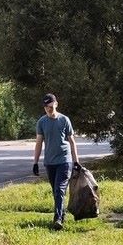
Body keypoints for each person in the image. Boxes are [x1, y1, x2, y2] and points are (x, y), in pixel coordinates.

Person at [33, 93, 81, 230]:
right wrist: (35, 163)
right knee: (56, 191)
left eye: (50, 106)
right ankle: (61, 213)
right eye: (45, 107)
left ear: (56, 104)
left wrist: (76, 161)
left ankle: (58, 218)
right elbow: (38, 143)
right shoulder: (42, 122)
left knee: (59, 189)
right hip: (49, 162)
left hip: (64, 161)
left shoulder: (64, 120)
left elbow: (72, 142)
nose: (48, 109)